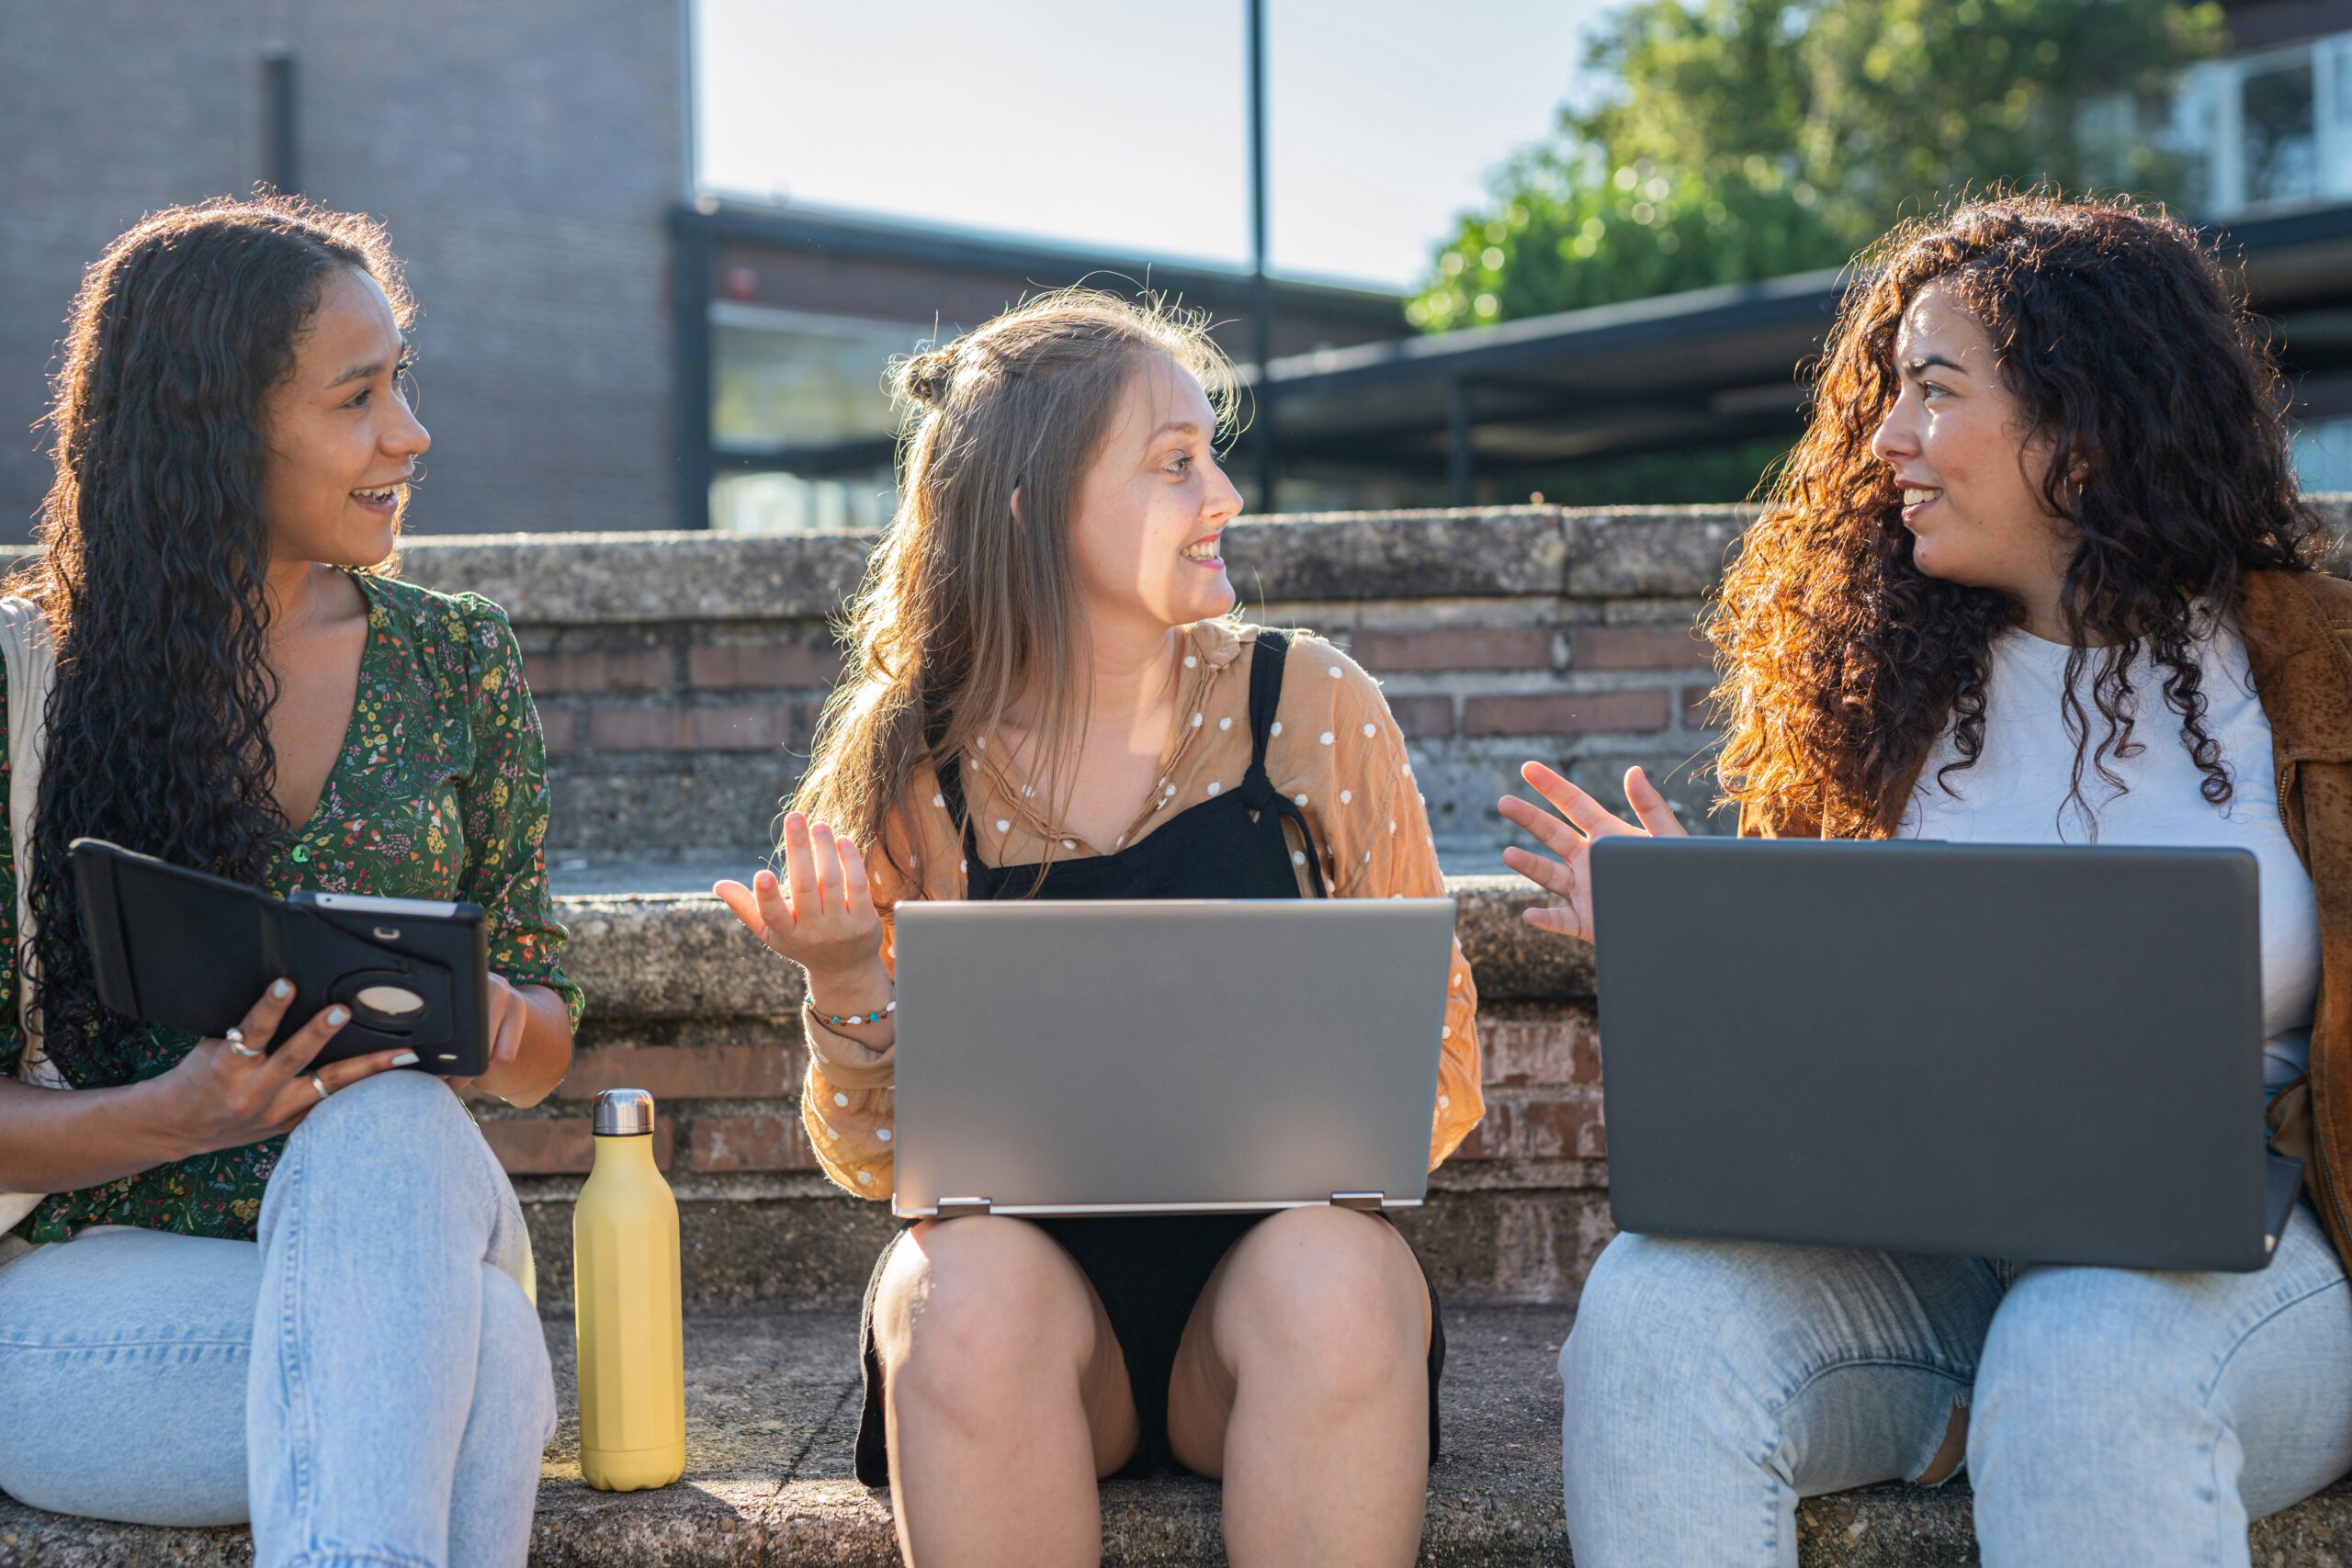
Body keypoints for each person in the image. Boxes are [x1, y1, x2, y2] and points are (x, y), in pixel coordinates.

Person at [1502, 193, 2352, 1568]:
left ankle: (2023, 1387)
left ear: (2086, 420)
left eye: (1935, 390)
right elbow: (1842, 1069)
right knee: (1658, 1314)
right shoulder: (1882, 700)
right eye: (1888, 393)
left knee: (2083, 1345)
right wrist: (1703, 948)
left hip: (2254, 1267)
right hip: (1935, 1265)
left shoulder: (2319, 674)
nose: (1885, 438)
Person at [713, 288, 1484, 1568]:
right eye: (1174, 465)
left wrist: (1330, 1139)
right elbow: (873, 1165)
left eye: (1212, 456)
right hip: (1035, 1327)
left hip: (1271, 1313)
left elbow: (1442, 1064)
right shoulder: (917, 765)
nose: (1222, 497)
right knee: (954, 1295)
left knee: (1338, 1282)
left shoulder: (1313, 709)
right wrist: (847, 980)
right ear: (1035, 508)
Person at [0, 198, 581, 1567]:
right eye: (357, 397)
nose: (410, 434)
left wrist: (496, 1022)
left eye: (404, 382)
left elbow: (548, 1039)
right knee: (483, 1352)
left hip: (408, 1214)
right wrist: (176, 1112)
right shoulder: (32, 683)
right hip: (91, 1293)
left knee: (391, 1132)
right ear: (218, 427)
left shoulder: (457, 661)